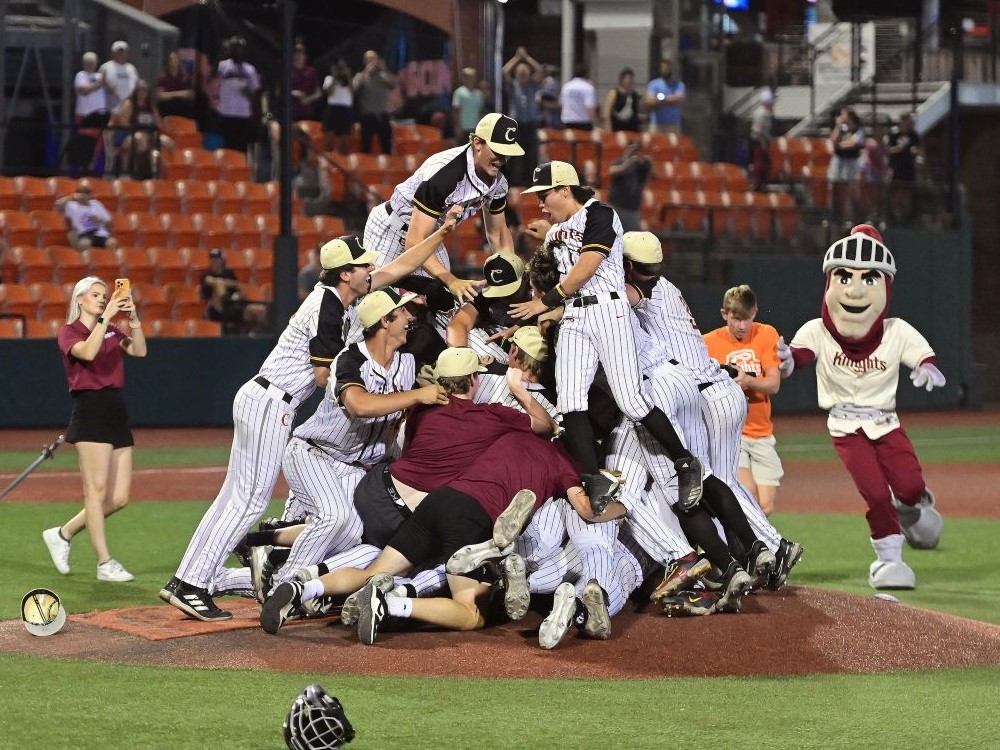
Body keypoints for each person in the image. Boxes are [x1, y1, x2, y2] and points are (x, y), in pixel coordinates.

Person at [163, 209, 463, 621]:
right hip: (274, 401)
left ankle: (194, 579)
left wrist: (442, 233)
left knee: (237, 499)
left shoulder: (340, 298)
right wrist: (364, 363)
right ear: (345, 274)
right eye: (362, 266)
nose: (370, 268)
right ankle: (194, 582)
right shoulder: (327, 305)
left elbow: (400, 267)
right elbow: (326, 376)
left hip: (266, 397)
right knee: (248, 502)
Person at [509, 161, 703, 511]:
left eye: (544, 194)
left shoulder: (601, 213)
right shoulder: (556, 232)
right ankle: (591, 477)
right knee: (570, 402)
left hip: (607, 309)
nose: (539, 202)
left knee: (631, 400)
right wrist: (547, 234)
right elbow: (555, 248)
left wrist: (547, 302)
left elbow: (589, 263)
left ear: (565, 190)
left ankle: (685, 460)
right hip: (575, 315)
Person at [782, 225, 944, 590]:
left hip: (886, 423)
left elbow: (923, 354)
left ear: (885, 286)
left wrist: (926, 366)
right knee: (874, 493)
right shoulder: (817, 331)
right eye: (844, 277)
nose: (855, 290)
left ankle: (914, 505)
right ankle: (890, 560)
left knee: (910, 486)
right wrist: (785, 360)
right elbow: (799, 355)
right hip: (845, 427)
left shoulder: (895, 330)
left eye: (869, 279)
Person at [43, 276, 146, 583]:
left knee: (119, 497)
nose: (103, 298)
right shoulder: (69, 332)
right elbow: (87, 353)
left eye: (105, 294)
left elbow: (139, 351)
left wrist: (133, 319)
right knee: (96, 492)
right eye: (96, 294)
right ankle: (104, 562)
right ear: (80, 299)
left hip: (116, 408)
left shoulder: (113, 329)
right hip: (90, 409)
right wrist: (106, 318)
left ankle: (63, 533)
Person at [363, 112, 524, 302]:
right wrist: (450, 279)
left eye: (507, 153)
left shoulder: (499, 181)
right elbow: (414, 241)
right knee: (375, 302)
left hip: (429, 236)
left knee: (446, 303)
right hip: (392, 229)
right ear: (478, 143)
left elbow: (497, 233)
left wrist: (510, 271)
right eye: (497, 151)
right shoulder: (445, 174)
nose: (502, 158)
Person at [702, 285, 784, 515]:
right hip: (730, 434)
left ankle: (747, 548)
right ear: (724, 314)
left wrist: (746, 381)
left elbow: (773, 384)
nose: (742, 326)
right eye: (736, 319)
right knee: (747, 497)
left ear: (755, 312)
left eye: (747, 319)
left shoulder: (766, 334)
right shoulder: (708, 342)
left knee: (765, 507)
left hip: (762, 433)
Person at [199, 248, 268, 334]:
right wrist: (232, 284)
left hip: (234, 306)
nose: (215, 263)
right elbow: (212, 281)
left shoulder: (229, 273)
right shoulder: (206, 274)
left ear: (222, 261)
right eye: (213, 260)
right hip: (216, 309)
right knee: (219, 283)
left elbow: (238, 287)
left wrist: (237, 293)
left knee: (259, 310)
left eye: (217, 260)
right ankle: (226, 305)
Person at [502, 47, 543, 186]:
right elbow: (505, 71)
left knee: (531, 153)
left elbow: (539, 70)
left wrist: (527, 58)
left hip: (531, 123)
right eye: (520, 73)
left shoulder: (533, 85)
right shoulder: (513, 85)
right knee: (514, 154)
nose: (523, 75)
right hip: (516, 124)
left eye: (525, 73)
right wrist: (517, 58)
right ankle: (513, 181)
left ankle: (530, 181)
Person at [117, 79, 171, 179]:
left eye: (144, 90)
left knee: (168, 142)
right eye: (139, 90)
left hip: (148, 134)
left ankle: (162, 175)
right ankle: (136, 173)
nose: (142, 92)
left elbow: (159, 125)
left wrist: (157, 132)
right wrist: (140, 131)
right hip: (129, 134)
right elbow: (124, 124)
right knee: (140, 139)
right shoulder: (129, 104)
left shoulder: (150, 106)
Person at [100, 41, 139, 173]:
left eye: (123, 51)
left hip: (127, 115)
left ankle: (125, 173)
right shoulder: (106, 67)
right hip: (111, 113)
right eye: (118, 51)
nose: (121, 54)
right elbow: (103, 86)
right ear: (113, 52)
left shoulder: (132, 69)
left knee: (126, 147)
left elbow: (135, 89)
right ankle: (108, 172)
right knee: (109, 148)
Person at [216, 36, 260, 154]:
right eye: (234, 48)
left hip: (242, 113)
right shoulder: (223, 66)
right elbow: (216, 83)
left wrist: (247, 92)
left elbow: (255, 93)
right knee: (227, 146)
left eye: (239, 48)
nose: (237, 51)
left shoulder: (250, 70)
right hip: (226, 112)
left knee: (241, 147)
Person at [69, 51, 109, 176]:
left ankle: (92, 167)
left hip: (99, 116)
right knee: (85, 141)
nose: (90, 65)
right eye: (88, 63)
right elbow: (84, 90)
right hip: (85, 115)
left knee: (97, 143)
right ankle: (82, 168)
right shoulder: (81, 76)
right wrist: (99, 83)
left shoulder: (99, 76)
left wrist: (106, 81)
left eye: (92, 63)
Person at [353, 50, 396, 155]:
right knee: (366, 146)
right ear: (365, 61)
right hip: (367, 116)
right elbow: (354, 88)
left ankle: (388, 168)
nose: (372, 62)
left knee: (386, 146)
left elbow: (393, 84)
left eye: (374, 59)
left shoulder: (382, 75)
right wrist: (367, 72)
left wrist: (385, 69)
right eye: (369, 59)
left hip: (382, 115)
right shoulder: (361, 76)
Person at [55, 180, 118, 251]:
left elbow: (109, 223)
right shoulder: (72, 205)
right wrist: (72, 197)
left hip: (100, 233)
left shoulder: (96, 204)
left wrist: (100, 221)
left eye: (85, 194)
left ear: (90, 195)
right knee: (85, 244)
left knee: (112, 243)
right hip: (85, 233)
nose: (83, 197)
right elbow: (58, 204)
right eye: (80, 194)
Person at [607, 141, 652, 232]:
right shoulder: (619, 162)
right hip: (617, 207)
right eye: (631, 150)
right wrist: (628, 162)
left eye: (636, 151)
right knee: (613, 236)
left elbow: (653, 174)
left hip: (633, 210)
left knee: (631, 239)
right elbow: (612, 171)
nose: (633, 154)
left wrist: (646, 161)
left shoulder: (641, 167)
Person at [828, 107, 864, 219]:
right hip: (839, 160)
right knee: (834, 185)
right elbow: (833, 142)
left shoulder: (858, 130)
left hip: (851, 161)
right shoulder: (841, 129)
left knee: (850, 188)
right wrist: (838, 127)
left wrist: (840, 145)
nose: (842, 118)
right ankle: (834, 213)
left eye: (845, 115)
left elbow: (853, 144)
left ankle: (852, 215)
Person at [885, 113, 921, 223]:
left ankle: (906, 218)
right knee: (896, 194)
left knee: (907, 194)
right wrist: (900, 148)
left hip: (909, 169)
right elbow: (888, 150)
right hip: (896, 168)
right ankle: (895, 217)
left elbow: (920, 149)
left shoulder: (914, 135)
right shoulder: (894, 135)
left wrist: (915, 151)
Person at [321, 59, 354, 153]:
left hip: (345, 110)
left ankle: (343, 159)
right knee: (329, 135)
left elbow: (353, 91)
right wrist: (335, 77)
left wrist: (347, 75)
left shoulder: (349, 80)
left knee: (345, 137)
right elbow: (328, 92)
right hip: (333, 108)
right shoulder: (329, 79)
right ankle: (327, 157)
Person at [645, 59, 685, 134]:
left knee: (673, 145)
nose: (665, 70)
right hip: (656, 124)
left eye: (667, 68)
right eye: (663, 68)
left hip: (673, 124)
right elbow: (649, 101)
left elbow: (678, 100)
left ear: (671, 69)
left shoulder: (679, 85)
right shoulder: (653, 84)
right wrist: (669, 99)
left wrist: (659, 100)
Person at [155, 50, 195, 120]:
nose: (173, 61)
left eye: (175, 59)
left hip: (182, 108)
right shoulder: (163, 77)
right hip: (168, 108)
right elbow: (160, 95)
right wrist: (178, 94)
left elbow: (190, 93)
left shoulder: (185, 76)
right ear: (168, 61)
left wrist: (170, 94)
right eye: (171, 59)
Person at [749, 88, 774, 192]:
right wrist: (763, 143)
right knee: (759, 165)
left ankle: (762, 184)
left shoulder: (767, 113)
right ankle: (758, 186)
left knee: (764, 165)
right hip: (760, 142)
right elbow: (758, 130)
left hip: (763, 141)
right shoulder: (761, 113)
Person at [559, 64, 598, 131]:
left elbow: (561, 103)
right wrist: (594, 123)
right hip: (583, 122)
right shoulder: (588, 87)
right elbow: (589, 107)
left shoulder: (566, 86)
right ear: (587, 74)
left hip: (567, 121)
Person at [602, 67, 641, 133]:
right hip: (617, 128)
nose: (631, 81)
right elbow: (607, 112)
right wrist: (608, 126)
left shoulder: (634, 95)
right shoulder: (614, 93)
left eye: (632, 79)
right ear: (622, 79)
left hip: (632, 129)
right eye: (629, 79)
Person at [452, 67, 484, 145]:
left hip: (475, 128)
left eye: (472, 77)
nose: (470, 79)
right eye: (467, 77)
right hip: (462, 128)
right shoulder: (459, 92)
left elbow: (480, 112)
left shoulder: (478, 94)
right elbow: (456, 110)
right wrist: (457, 127)